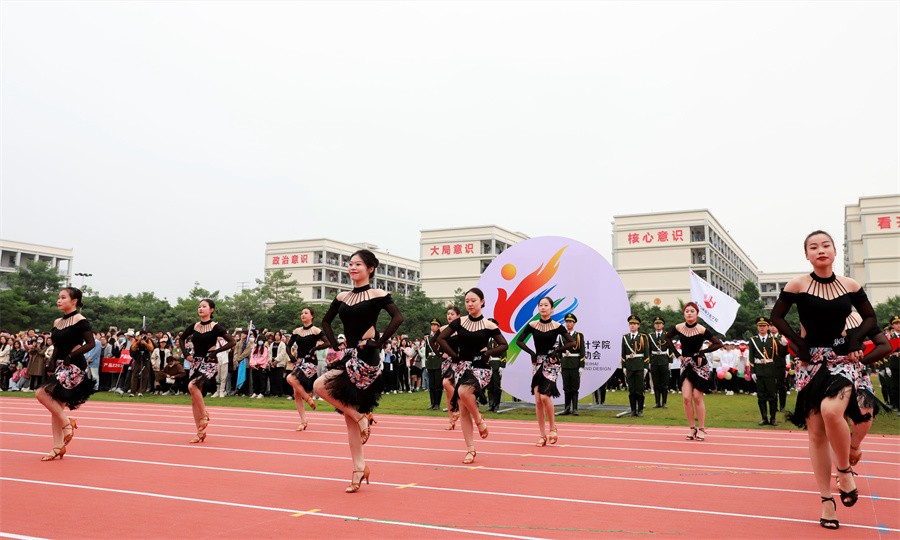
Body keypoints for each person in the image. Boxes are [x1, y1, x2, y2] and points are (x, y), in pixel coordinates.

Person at [770, 230, 876, 530]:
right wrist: (798, 344)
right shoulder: (797, 285)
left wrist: (855, 339)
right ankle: (826, 501)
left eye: (826, 245)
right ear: (807, 255)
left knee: (832, 410)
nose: (820, 250)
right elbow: (777, 317)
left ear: (834, 251)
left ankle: (843, 471)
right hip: (811, 362)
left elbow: (870, 318)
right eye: (813, 247)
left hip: (841, 360)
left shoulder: (850, 285)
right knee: (816, 433)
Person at [314, 249, 404, 493]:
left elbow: (398, 318)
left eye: (358, 264)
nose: (352, 268)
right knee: (349, 417)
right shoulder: (342, 296)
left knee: (319, 385)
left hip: (366, 356)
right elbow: (325, 321)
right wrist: (335, 343)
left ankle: (362, 419)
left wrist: (379, 342)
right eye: (350, 264)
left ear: (370, 269)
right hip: (348, 355)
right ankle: (359, 468)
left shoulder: (377, 294)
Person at [438, 288, 508, 463]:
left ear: (482, 302)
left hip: (480, 368)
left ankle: (479, 419)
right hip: (462, 367)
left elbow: (504, 345)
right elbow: (440, 338)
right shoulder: (459, 322)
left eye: (473, 301)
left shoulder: (489, 325)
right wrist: (453, 355)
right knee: (463, 409)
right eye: (467, 301)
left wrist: (488, 353)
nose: (469, 304)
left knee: (463, 391)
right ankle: (470, 449)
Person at [35, 287, 96, 460]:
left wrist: (72, 355)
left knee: (41, 393)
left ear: (74, 301)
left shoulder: (81, 320)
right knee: (57, 407)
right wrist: (51, 363)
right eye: (58, 297)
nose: (59, 300)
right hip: (60, 365)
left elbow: (91, 343)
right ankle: (58, 447)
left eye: (63, 297)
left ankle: (67, 423)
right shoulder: (57, 322)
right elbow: (57, 346)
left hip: (74, 366)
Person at [515, 297, 575, 445]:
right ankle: (542, 435)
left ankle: (553, 428)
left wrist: (557, 351)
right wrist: (531, 353)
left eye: (546, 305)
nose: (543, 307)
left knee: (544, 397)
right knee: (537, 400)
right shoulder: (533, 325)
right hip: (538, 363)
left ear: (552, 309)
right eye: (540, 305)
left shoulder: (557, 326)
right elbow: (519, 341)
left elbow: (572, 342)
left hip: (552, 363)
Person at [178, 299, 236, 443]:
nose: (200, 308)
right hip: (195, 362)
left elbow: (232, 341)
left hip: (209, 362)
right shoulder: (194, 326)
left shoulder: (216, 327)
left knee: (192, 385)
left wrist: (215, 352)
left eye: (204, 306)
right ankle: (200, 432)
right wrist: (186, 354)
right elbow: (181, 339)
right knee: (194, 398)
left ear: (211, 310)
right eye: (199, 306)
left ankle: (204, 415)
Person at [666, 302, 722, 441]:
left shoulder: (702, 329)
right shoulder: (678, 327)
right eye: (687, 311)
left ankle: (701, 428)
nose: (689, 313)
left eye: (692, 311)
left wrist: (702, 352)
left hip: (700, 365)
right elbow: (667, 338)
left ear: (697, 314)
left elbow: (718, 343)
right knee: (686, 398)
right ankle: (692, 428)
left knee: (697, 397)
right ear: (684, 314)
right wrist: (677, 354)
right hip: (685, 364)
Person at [286, 307, 328, 431]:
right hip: (299, 362)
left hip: (310, 362)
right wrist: (291, 356)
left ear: (312, 316)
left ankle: (308, 397)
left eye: (306, 313)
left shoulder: (315, 330)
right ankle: (303, 421)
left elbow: (328, 343)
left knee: (290, 378)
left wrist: (316, 348)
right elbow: (288, 346)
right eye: (302, 313)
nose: (303, 315)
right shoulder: (297, 331)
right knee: (296, 392)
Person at [749, 317, 780, 426]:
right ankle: (764, 418)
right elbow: (751, 356)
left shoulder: (773, 340)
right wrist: (752, 371)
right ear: (757, 327)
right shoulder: (753, 340)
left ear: (768, 327)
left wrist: (777, 372)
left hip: (770, 371)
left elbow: (777, 357)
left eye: (764, 326)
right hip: (759, 370)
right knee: (761, 396)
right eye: (759, 326)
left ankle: (773, 418)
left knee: (772, 395)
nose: (761, 328)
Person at [436, 306, 462, 430]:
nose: (449, 316)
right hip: (447, 362)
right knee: (447, 391)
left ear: (458, 315)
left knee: (447, 383)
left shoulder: (463, 329)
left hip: (459, 361)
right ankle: (451, 421)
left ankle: (457, 407)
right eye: (448, 314)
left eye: (452, 314)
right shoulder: (443, 329)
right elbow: (433, 342)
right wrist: (440, 354)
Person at [622, 315, 650, 417]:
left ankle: (640, 409)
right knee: (631, 390)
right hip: (629, 366)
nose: (632, 326)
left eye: (634, 324)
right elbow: (623, 353)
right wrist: (624, 366)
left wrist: (646, 367)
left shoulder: (643, 337)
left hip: (639, 366)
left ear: (638, 325)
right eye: (631, 324)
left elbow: (646, 353)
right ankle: (633, 410)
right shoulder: (625, 337)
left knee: (639, 390)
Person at [559, 313, 585, 416]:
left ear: (574, 323)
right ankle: (566, 408)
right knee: (566, 387)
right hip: (565, 364)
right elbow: (559, 350)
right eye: (567, 322)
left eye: (570, 322)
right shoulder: (562, 335)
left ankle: (575, 409)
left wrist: (581, 366)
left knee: (574, 387)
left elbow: (582, 351)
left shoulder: (578, 336)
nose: (568, 324)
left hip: (575, 364)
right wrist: (559, 364)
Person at [648, 317, 672, 408]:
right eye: (656, 323)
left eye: (660, 323)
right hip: (654, 361)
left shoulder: (667, 335)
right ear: (654, 325)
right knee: (656, 383)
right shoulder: (651, 336)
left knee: (664, 383)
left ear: (663, 325)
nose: (658, 325)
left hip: (664, 360)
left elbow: (671, 348)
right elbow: (648, 350)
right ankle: (657, 402)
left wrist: (670, 361)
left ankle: (664, 402)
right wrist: (648, 362)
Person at [424, 319, 443, 410]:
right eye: (432, 325)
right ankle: (432, 403)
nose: (433, 327)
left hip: (438, 361)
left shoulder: (442, 336)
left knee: (438, 384)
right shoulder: (428, 338)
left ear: (439, 327)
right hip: (430, 362)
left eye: (435, 325)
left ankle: (437, 404)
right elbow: (426, 351)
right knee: (431, 385)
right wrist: (426, 363)